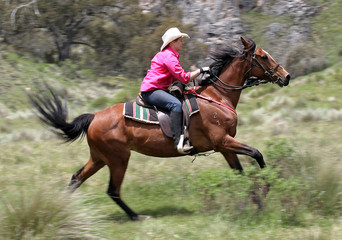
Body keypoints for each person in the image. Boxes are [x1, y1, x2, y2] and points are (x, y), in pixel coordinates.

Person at [140, 27, 210, 154]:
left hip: (155, 89)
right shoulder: (169, 56)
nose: (182, 43)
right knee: (176, 105)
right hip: (152, 91)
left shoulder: (169, 55)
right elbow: (184, 78)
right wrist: (201, 70)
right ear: (172, 42)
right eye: (180, 40)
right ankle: (179, 143)